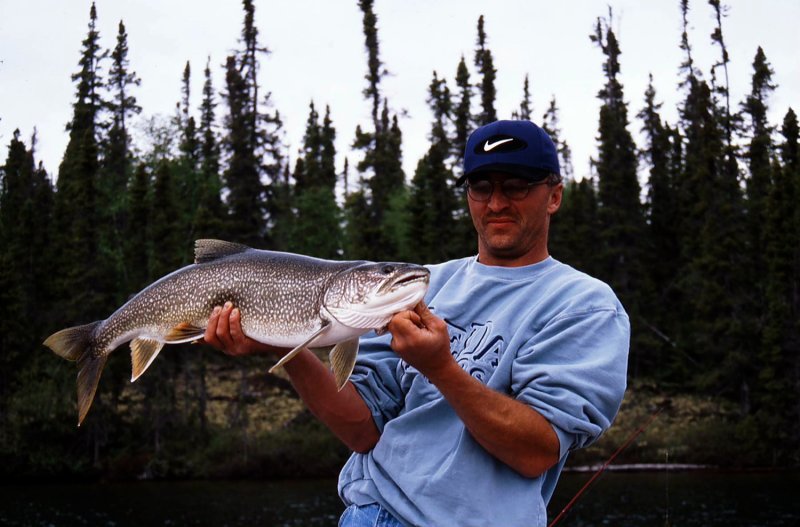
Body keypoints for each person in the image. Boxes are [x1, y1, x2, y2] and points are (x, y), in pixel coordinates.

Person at [204, 119, 630, 527]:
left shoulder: (584, 305)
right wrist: (283, 342)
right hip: (370, 516)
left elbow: (535, 452)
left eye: (516, 187)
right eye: (482, 187)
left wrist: (441, 368)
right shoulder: (417, 287)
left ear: (554, 195)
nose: (497, 203)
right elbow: (361, 430)